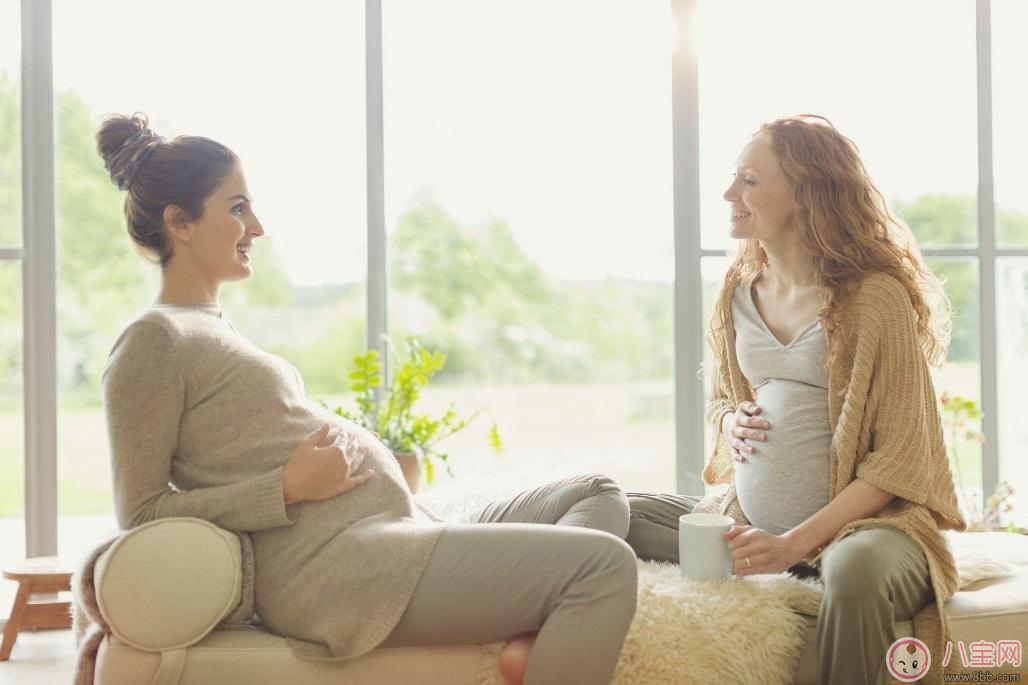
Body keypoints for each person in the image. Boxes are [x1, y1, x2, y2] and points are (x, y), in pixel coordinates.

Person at [96, 112, 637, 685]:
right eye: (236, 208)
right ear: (180, 222)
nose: (256, 226)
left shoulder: (210, 325)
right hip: (341, 570)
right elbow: (141, 510)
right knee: (603, 567)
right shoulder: (152, 341)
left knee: (596, 494)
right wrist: (283, 489)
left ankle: (529, 618)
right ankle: (538, 611)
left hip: (400, 531)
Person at [624, 115, 965, 685]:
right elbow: (723, 401)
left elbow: (900, 461)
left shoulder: (873, 299)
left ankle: (808, 560)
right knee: (619, 511)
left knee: (854, 572)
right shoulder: (737, 294)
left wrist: (791, 546)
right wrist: (732, 419)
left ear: (807, 192)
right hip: (751, 523)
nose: (730, 194)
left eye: (749, 180)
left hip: (871, 532)